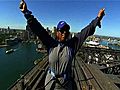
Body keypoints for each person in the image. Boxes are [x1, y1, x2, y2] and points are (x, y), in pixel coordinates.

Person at [19, 0, 105, 90]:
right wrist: (26, 13)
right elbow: (39, 29)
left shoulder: (72, 45)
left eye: (66, 31)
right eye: (62, 30)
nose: (64, 32)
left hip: (65, 85)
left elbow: (86, 31)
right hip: (50, 83)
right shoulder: (50, 43)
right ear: (57, 33)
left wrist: (98, 18)